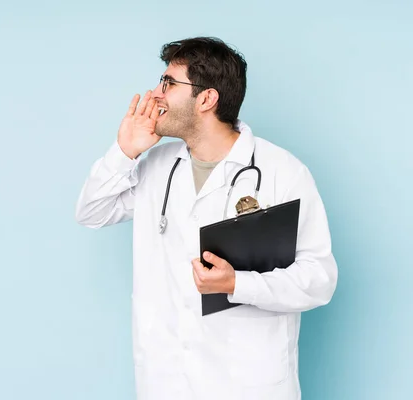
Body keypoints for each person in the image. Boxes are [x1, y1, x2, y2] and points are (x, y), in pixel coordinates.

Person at [75, 37, 338, 400]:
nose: (155, 94)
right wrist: (124, 152)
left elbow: (319, 279)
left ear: (206, 99)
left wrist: (237, 284)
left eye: (168, 82)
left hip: (247, 385)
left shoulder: (281, 171)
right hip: (166, 383)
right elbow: (91, 212)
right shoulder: (156, 166)